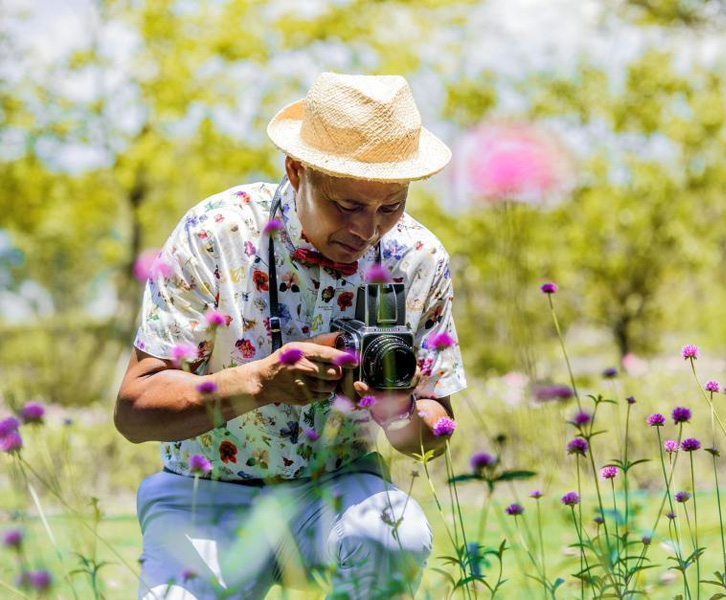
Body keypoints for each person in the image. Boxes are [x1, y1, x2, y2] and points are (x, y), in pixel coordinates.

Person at [115, 72, 467, 600]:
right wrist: (260, 381)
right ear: (296, 170)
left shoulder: (420, 257)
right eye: (347, 206)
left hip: (339, 488)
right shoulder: (214, 231)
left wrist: (395, 410)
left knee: (393, 534)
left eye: (390, 207)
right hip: (205, 496)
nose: (368, 230)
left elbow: (432, 431)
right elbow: (135, 410)